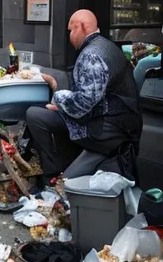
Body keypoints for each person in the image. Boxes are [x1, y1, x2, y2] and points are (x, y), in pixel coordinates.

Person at [26, 9, 142, 181]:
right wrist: (63, 104)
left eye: (71, 30)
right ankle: (53, 171)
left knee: (67, 184)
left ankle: (58, 176)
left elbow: (82, 104)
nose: (70, 36)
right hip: (110, 121)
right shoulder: (107, 45)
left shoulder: (92, 55)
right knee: (36, 115)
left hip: (106, 130)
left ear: (81, 27)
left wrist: (58, 94)